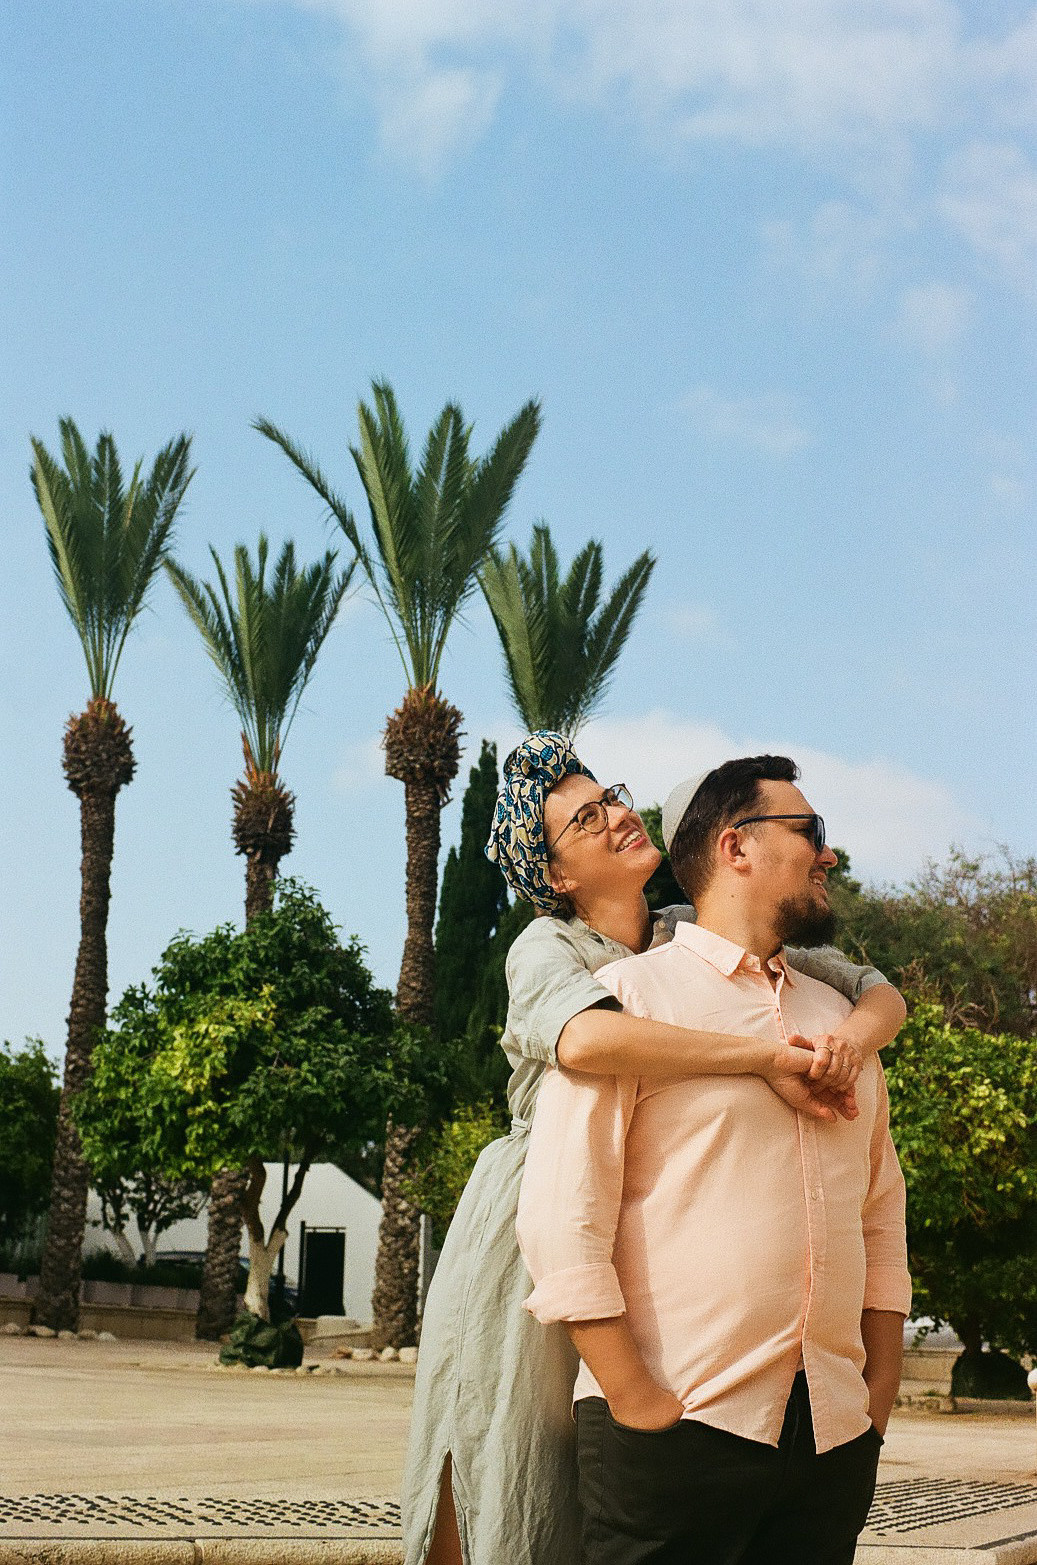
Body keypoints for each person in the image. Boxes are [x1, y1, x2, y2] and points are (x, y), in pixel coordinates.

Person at [402, 733, 907, 1565]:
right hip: (532, 1225)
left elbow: (875, 992)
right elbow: (590, 1042)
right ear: (554, 877)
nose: (614, 818)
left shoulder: (685, 933)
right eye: (584, 819)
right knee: (504, 1452)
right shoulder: (555, 953)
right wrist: (759, 1057)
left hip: (797, 1401)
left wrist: (846, 1041)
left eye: (612, 797)